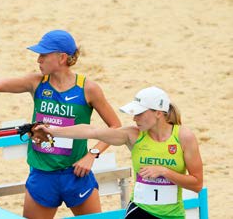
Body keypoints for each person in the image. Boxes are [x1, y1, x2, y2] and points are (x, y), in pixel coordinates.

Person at [0, 30, 121, 218]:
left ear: (62, 57)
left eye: (43, 55)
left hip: (76, 174)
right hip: (42, 174)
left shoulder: (88, 89)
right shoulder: (36, 82)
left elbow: (115, 127)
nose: (38, 60)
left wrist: (92, 154)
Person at [34, 86, 203, 219]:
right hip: (140, 210)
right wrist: (53, 131)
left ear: (158, 113)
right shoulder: (132, 135)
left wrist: (164, 171)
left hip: (173, 215)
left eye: (139, 113)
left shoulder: (183, 137)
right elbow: (92, 131)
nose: (134, 118)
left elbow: (197, 184)